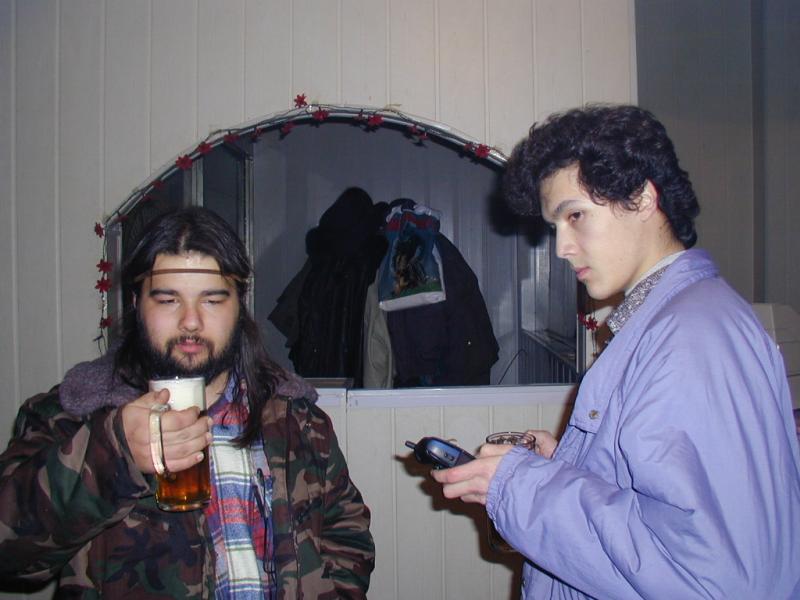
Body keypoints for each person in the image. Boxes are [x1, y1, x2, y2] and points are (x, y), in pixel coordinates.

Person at [433, 105, 800, 598]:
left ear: (643, 198)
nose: (561, 247)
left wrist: (521, 486)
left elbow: (706, 573)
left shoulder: (691, 339)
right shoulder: (669, 321)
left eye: (575, 216)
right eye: (555, 226)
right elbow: (657, 496)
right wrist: (572, 463)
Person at [0, 207, 375, 598]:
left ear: (239, 305)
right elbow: (10, 555)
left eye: (211, 300)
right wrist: (114, 452)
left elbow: (347, 532)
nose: (191, 321)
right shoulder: (74, 413)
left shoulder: (298, 418)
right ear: (136, 303)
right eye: (168, 300)